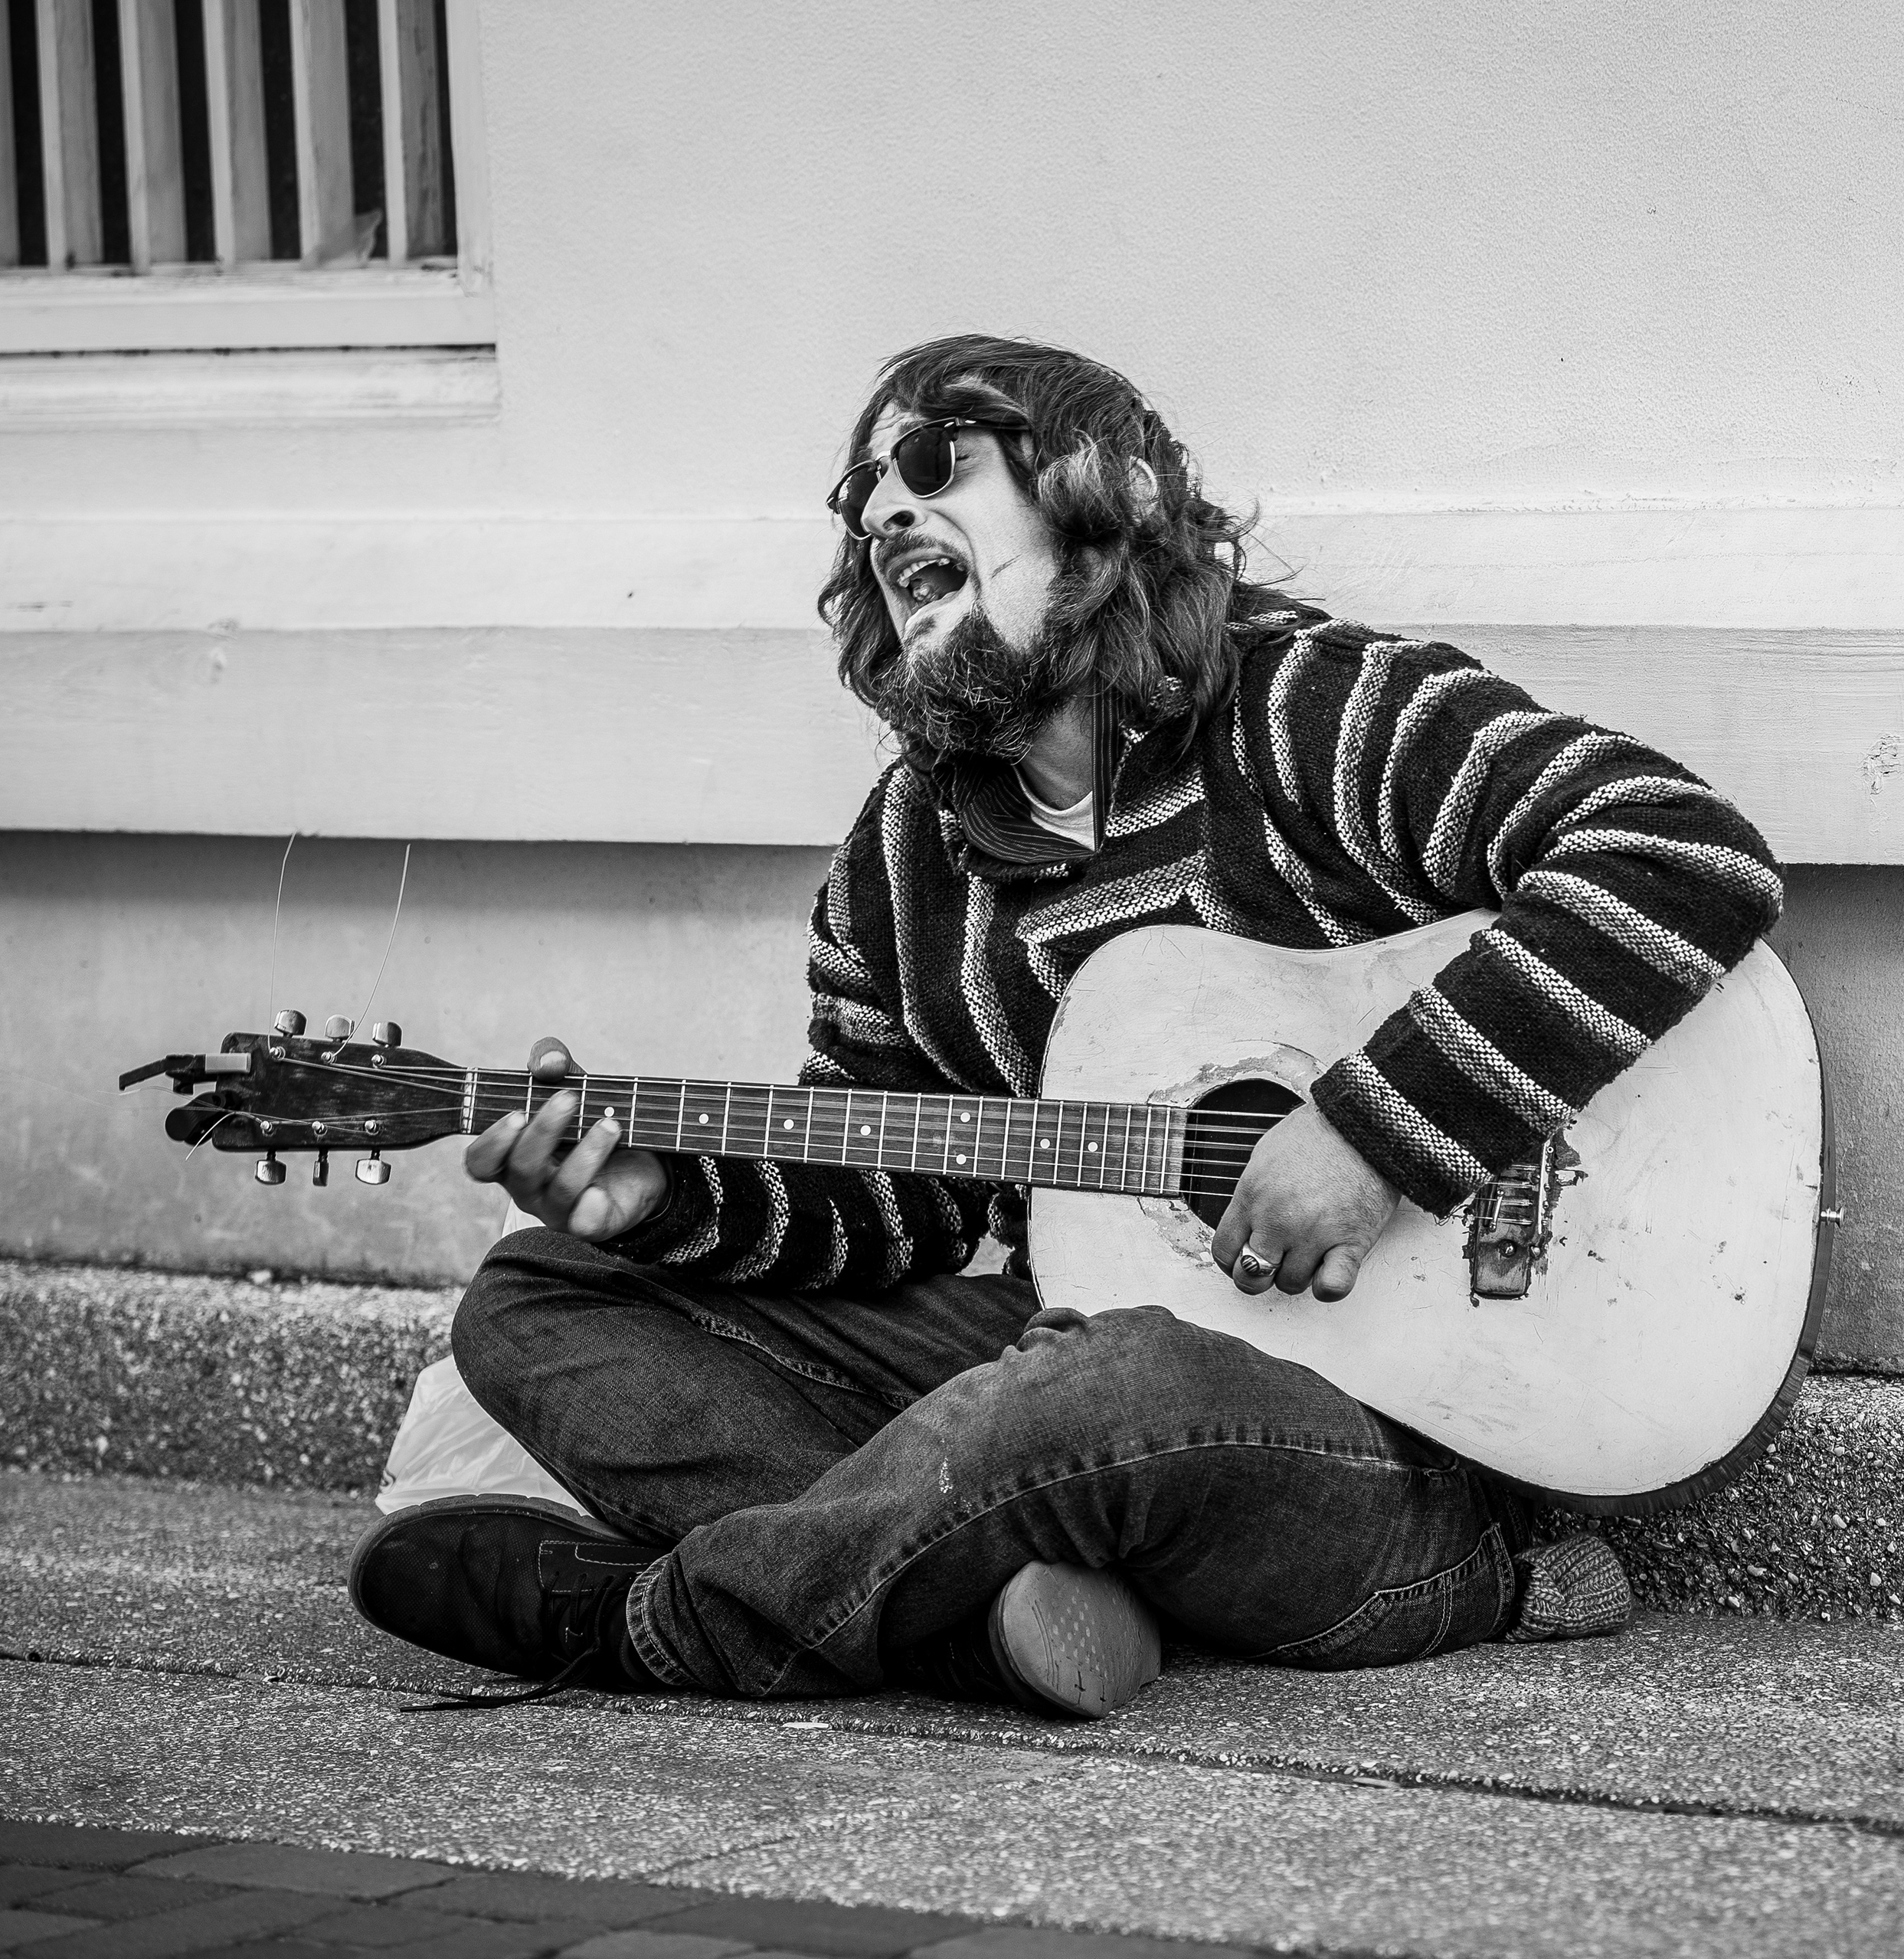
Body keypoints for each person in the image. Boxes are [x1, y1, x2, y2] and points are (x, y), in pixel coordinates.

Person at [348, 335, 1787, 1717]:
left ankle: (666, 1625)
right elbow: (899, 1208)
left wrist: (1369, 1134)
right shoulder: (904, 859)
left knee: (1105, 1379)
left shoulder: (1308, 713)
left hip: (1397, 1457)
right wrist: (664, 1197)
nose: (887, 511)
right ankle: (996, 1616)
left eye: (936, 457)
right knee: (539, 1298)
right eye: (863, 503)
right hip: (1071, 1384)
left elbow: (1679, 853)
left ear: (1115, 496)